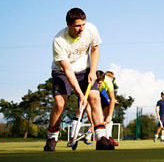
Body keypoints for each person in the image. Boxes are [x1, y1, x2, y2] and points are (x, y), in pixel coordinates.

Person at [44, 8, 114, 151]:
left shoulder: (91, 29)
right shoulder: (59, 41)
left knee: (95, 97)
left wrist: (93, 71)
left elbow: (95, 49)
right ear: (68, 24)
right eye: (77, 26)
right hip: (62, 71)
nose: (81, 29)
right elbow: (68, 71)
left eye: (83, 24)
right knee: (59, 103)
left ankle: (101, 138)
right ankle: (52, 137)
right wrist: (81, 95)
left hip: (85, 69)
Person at [94, 70, 118, 146]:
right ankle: (100, 139)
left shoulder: (108, 82)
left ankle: (108, 138)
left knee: (107, 113)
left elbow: (112, 99)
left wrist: (110, 116)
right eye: (96, 83)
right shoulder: (90, 81)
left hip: (101, 93)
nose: (98, 85)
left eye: (99, 83)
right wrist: (92, 123)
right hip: (90, 93)